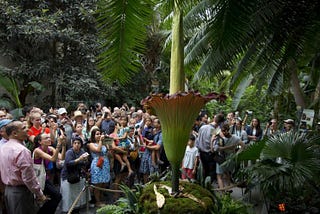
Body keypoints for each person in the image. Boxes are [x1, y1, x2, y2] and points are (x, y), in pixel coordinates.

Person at [0, 121, 47, 214]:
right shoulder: (22, 151)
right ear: (14, 133)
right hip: (21, 192)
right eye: (23, 128)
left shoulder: (3, 147)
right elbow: (29, 178)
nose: (28, 130)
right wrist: (40, 194)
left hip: (8, 191)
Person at [33, 133, 66, 214]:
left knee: (55, 197)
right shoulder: (37, 150)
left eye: (49, 137)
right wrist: (58, 145)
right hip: (37, 178)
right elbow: (52, 159)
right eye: (46, 138)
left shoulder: (50, 148)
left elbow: (61, 157)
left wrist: (64, 145)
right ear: (40, 142)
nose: (49, 139)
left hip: (45, 178)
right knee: (57, 196)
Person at [60, 135, 90, 213]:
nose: (77, 144)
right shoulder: (69, 152)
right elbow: (68, 163)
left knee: (77, 196)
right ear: (72, 144)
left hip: (78, 176)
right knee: (69, 197)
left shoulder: (82, 152)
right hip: (68, 176)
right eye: (75, 143)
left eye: (78, 143)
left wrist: (85, 161)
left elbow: (85, 164)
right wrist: (79, 159)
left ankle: (76, 209)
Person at [215, 123, 245, 191]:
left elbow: (217, 148)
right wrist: (236, 153)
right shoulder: (235, 138)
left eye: (223, 131)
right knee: (227, 174)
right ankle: (227, 190)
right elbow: (243, 146)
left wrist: (236, 153)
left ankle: (223, 192)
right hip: (230, 157)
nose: (223, 132)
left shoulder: (221, 138)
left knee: (219, 176)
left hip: (221, 157)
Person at [196, 113, 225, 183]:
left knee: (203, 172)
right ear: (220, 123)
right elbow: (215, 147)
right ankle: (209, 188)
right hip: (209, 155)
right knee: (210, 173)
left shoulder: (202, 127)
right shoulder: (214, 130)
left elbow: (197, 141)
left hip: (201, 153)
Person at [87, 128, 111, 208]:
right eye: (97, 134)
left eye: (100, 133)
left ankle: (101, 198)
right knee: (98, 184)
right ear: (93, 136)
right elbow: (98, 150)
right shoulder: (91, 144)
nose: (99, 135)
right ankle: (97, 201)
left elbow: (108, 153)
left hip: (105, 163)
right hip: (97, 164)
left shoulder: (103, 143)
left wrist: (108, 144)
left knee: (104, 183)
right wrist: (101, 141)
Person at [139, 118, 163, 183]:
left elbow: (157, 147)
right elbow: (144, 138)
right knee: (145, 172)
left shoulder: (161, 134)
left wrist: (147, 146)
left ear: (159, 124)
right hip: (146, 154)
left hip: (153, 156)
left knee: (153, 174)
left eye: (155, 122)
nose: (153, 123)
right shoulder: (150, 130)